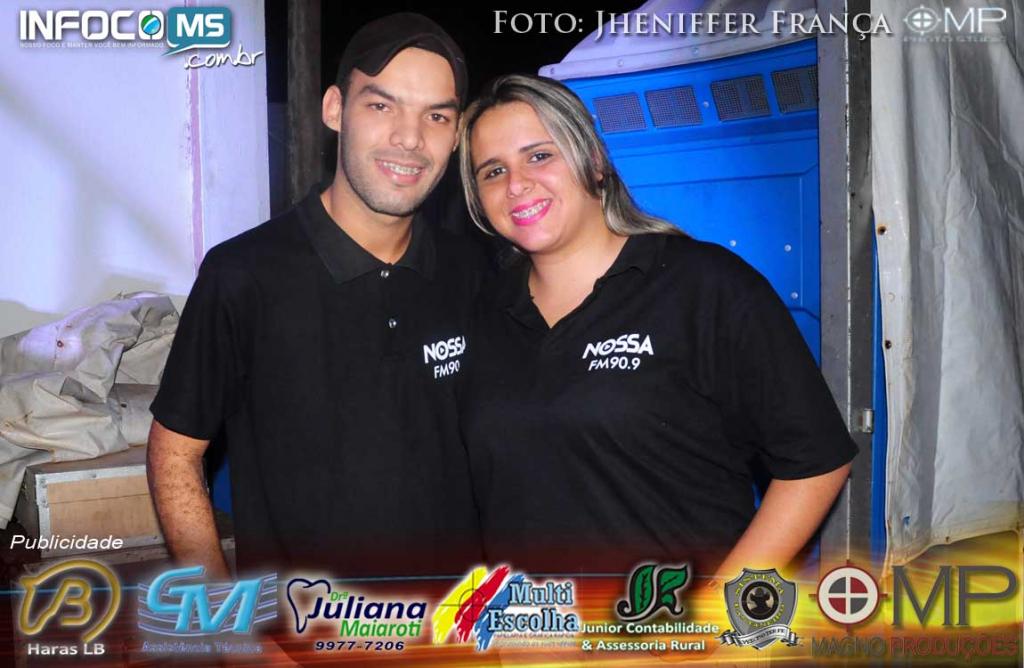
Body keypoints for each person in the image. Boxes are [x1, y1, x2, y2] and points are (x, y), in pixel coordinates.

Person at [456, 74, 858, 577]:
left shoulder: (702, 286)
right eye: (493, 171)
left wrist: (721, 611)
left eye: (539, 156)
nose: (516, 184)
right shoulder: (484, 312)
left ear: (594, 162)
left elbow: (817, 462)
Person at [147, 13, 486, 579]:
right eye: (382, 106)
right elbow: (175, 453)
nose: (410, 138)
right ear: (335, 109)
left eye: (436, 116)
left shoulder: (475, 271)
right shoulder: (243, 275)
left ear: (455, 137)